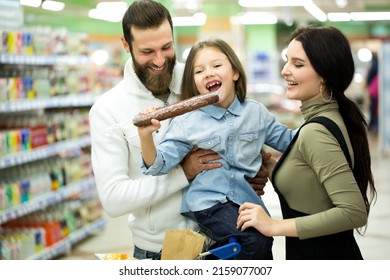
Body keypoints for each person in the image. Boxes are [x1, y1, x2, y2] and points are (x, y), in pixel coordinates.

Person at [88, 0, 269, 260]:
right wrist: (183, 173)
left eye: (166, 47)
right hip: (159, 254)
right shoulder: (108, 109)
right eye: (147, 51)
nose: (160, 60)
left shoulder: (200, 80)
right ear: (126, 45)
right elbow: (114, 199)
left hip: (223, 244)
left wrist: (254, 170)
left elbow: (242, 124)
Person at [137, 38, 295, 259]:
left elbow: (291, 141)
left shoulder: (256, 114)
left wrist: (321, 124)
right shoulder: (187, 121)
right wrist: (145, 137)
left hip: (245, 199)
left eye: (217, 66)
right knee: (254, 240)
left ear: (235, 73)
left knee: (262, 241)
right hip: (208, 204)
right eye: (199, 71)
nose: (208, 73)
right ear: (194, 83)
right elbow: (158, 164)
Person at [237, 25, 377, 260]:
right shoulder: (330, 118)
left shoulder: (316, 132)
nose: (285, 71)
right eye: (287, 61)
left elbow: (354, 212)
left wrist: (273, 226)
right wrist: (270, 165)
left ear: (324, 74)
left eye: (298, 64)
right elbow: (311, 187)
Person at [366, 52, 379, 133]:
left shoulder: (374, 66)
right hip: (375, 91)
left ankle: (372, 125)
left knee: (373, 108)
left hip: (374, 91)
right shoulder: (379, 66)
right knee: (374, 109)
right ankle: (373, 125)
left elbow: (368, 79)